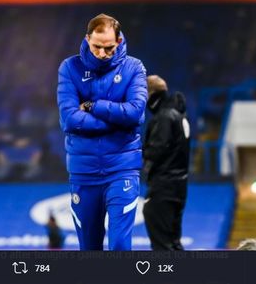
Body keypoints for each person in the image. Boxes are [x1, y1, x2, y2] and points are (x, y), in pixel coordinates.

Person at [56, 14, 147, 251]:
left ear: (118, 41)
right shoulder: (69, 67)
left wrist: (93, 106)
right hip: (83, 173)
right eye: (96, 46)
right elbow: (70, 119)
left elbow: (135, 113)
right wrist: (117, 120)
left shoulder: (134, 68)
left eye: (108, 48)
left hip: (122, 169)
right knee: (89, 247)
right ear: (87, 39)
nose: (102, 53)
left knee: (119, 245)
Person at [142, 75, 190, 250]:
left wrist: (137, 152)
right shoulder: (179, 115)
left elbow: (157, 150)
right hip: (179, 186)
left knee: (162, 242)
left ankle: (165, 275)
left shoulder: (164, 117)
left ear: (150, 94)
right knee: (173, 241)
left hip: (164, 186)